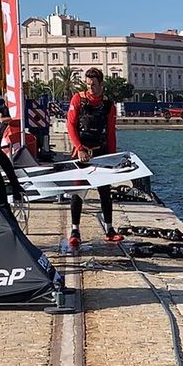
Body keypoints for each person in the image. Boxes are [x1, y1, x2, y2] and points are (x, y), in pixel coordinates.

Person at [64, 67, 120, 242]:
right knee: (78, 191)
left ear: (101, 84)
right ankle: (75, 231)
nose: (90, 88)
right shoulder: (78, 99)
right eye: (88, 84)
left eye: (93, 85)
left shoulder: (109, 105)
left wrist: (112, 157)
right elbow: (70, 125)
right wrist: (79, 148)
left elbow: (111, 133)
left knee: (105, 191)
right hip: (82, 151)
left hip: (101, 151)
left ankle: (109, 230)